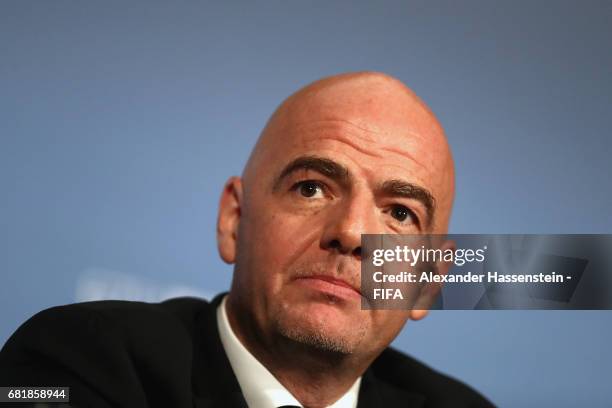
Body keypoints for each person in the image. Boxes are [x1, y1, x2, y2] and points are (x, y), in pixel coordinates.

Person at [0, 72, 493, 407]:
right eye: (312, 188)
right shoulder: (78, 361)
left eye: (400, 214)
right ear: (235, 220)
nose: (350, 233)